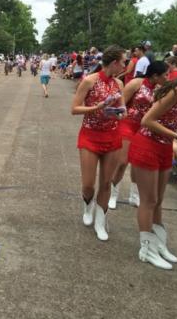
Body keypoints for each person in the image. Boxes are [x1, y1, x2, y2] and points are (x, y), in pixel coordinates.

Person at [128, 58, 177, 270]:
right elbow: (147, 120)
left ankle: (158, 242)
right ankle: (146, 248)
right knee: (149, 199)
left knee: (159, 199)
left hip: (163, 147)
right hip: (147, 144)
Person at [71, 45, 127, 241]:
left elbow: (123, 109)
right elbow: (75, 108)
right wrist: (97, 108)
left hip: (112, 135)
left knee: (105, 183)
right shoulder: (89, 81)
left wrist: (119, 113)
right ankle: (88, 205)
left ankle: (101, 222)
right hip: (90, 135)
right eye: (123, 61)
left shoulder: (119, 84)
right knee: (88, 184)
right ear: (114, 63)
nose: (124, 65)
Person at [109, 61, 168, 210]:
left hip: (144, 129)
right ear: (155, 75)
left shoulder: (161, 89)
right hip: (128, 124)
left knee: (138, 164)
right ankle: (113, 194)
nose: (168, 77)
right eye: (165, 75)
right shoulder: (136, 83)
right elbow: (120, 103)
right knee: (122, 161)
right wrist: (119, 116)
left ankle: (134, 196)